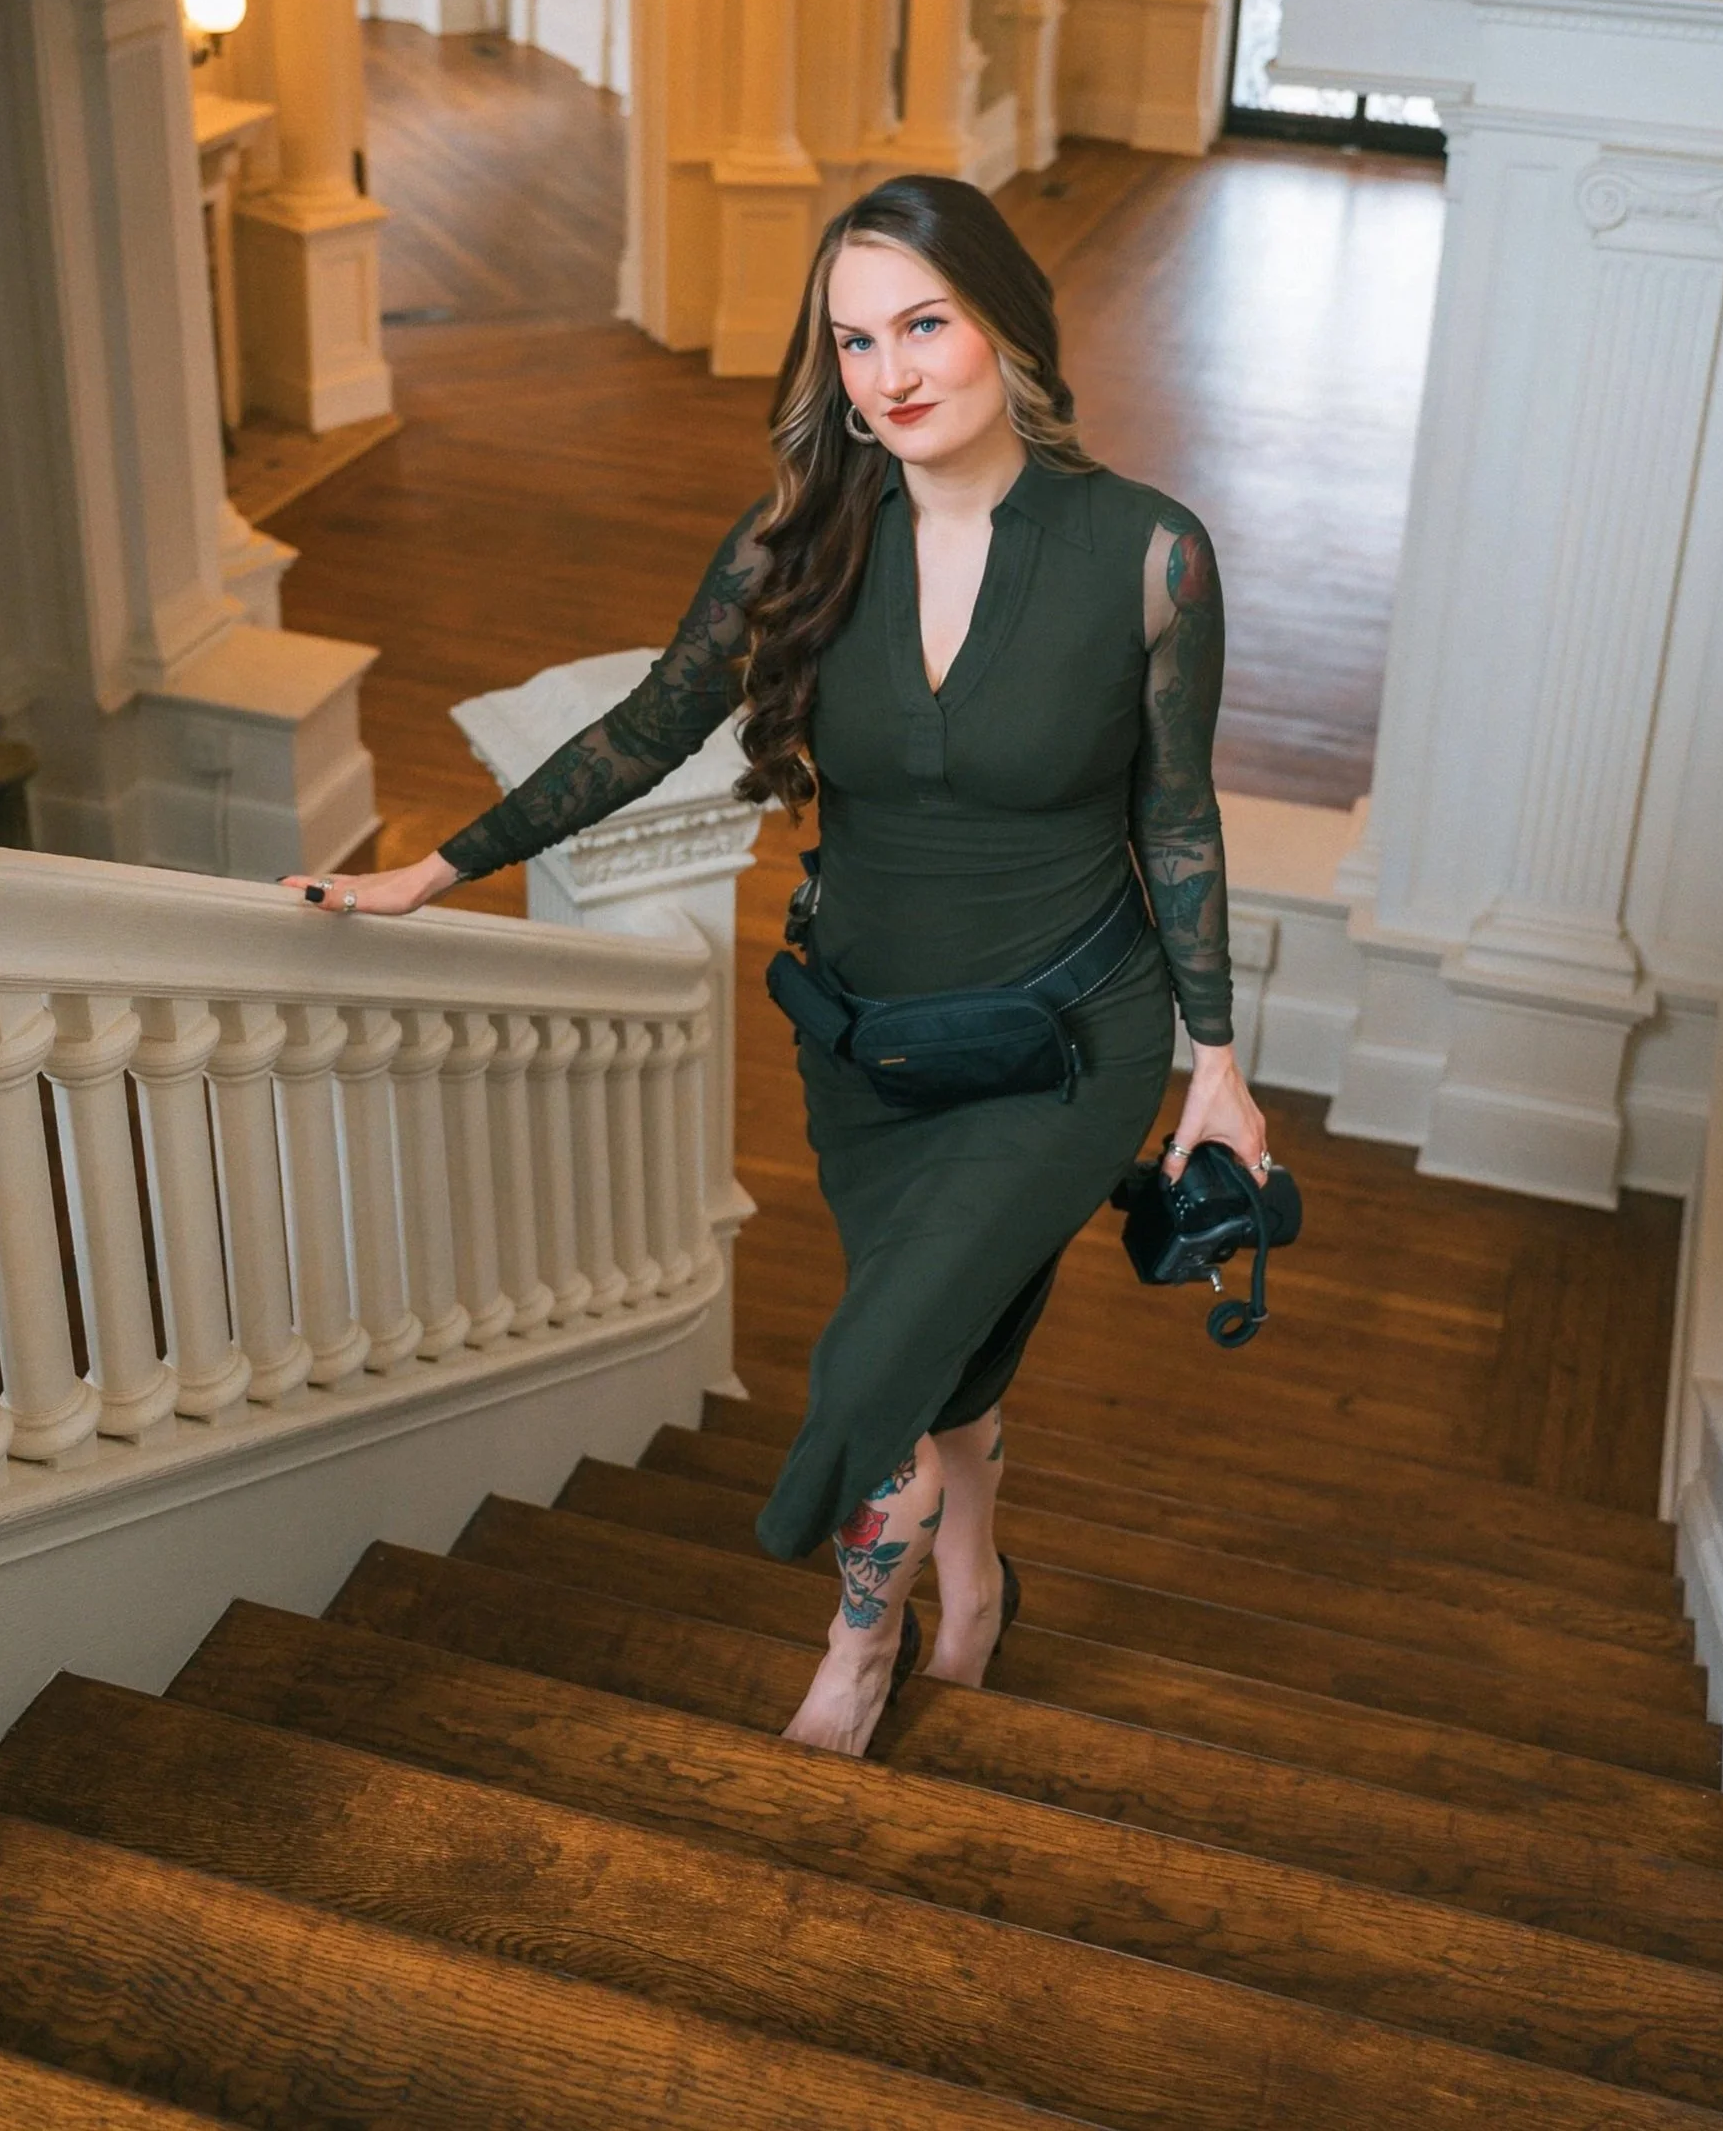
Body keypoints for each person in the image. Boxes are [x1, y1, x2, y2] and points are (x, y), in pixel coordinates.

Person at [285, 174, 1268, 1757]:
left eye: (925, 324)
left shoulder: (1148, 556)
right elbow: (650, 724)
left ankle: (854, 1647)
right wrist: (431, 868)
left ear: (1007, 322)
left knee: (873, 1364)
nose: (891, 373)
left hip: (1068, 1044)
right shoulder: (802, 540)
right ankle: (975, 1572)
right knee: (945, 1342)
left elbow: (1176, 816)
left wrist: (1214, 1062)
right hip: (868, 1050)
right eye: (855, 340)